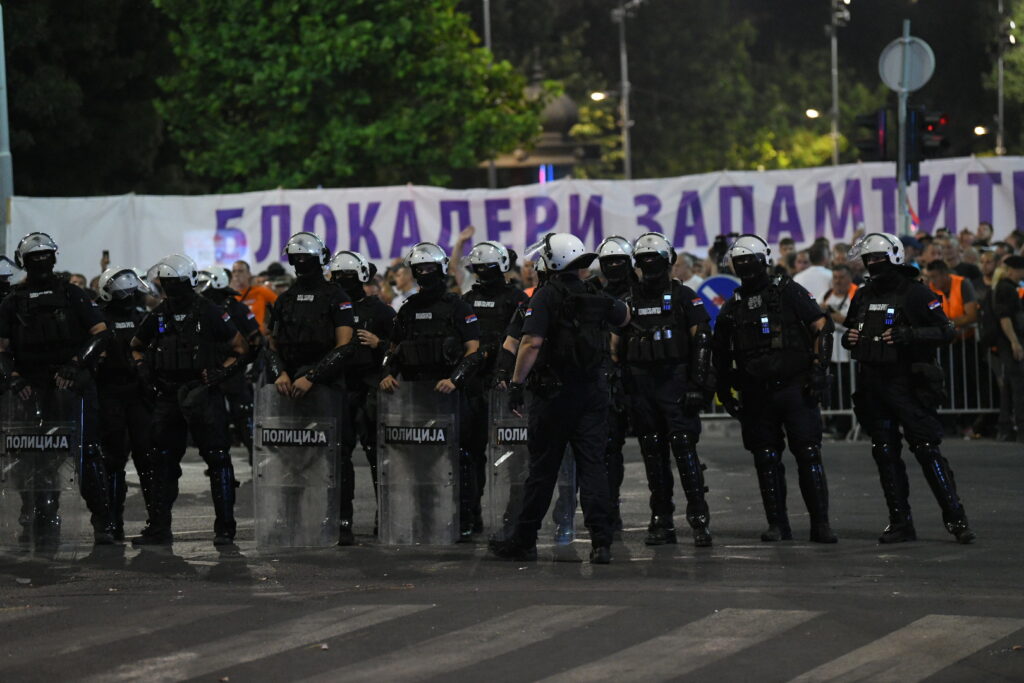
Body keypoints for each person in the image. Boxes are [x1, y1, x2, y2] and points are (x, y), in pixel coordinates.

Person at [489, 233, 630, 565]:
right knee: (593, 467)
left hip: (553, 396)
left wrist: (516, 384)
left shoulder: (545, 296)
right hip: (592, 394)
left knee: (542, 471)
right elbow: (624, 317)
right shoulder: (593, 293)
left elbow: (531, 343)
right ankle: (601, 543)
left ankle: (524, 540)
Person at [842, 233, 975, 544]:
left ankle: (956, 519)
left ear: (894, 257)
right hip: (874, 385)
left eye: (878, 258)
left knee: (927, 450)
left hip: (909, 384)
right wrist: (849, 338)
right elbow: (851, 329)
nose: (873, 263)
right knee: (884, 452)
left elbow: (946, 330)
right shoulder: (862, 295)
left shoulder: (915, 292)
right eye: (869, 258)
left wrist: (909, 335)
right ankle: (900, 521)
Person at [713, 235, 838, 544]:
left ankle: (821, 524)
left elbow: (822, 326)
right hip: (756, 393)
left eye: (748, 260)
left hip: (795, 387)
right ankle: (778, 525)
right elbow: (721, 352)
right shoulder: (733, 305)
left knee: (808, 453)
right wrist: (725, 391)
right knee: (765, 458)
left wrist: (819, 368)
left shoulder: (788, 291)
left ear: (763, 260)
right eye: (739, 262)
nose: (744, 267)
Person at [0, 233, 115, 546]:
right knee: (32, 456)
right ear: (24, 261)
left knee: (87, 452)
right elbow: (2, 349)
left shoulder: (71, 293)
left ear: (53, 257)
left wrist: (75, 364)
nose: (41, 261)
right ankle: (37, 519)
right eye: (34, 256)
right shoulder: (13, 300)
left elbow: (101, 333)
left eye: (45, 255)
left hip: (71, 383)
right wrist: (14, 378)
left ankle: (103, 523)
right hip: (31, 388)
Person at [130, 254, 249, 546]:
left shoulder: (210, 311)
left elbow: (240, 347)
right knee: (162, 461)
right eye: (166, 282)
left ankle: (225, 528)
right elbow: (136, 346)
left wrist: (221, 373)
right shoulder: (160, 314)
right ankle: (159, 527)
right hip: (169, 395)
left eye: (175, 282)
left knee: (218, 459)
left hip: (203, 393)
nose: (170, 288)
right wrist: (143, 369)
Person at [618, 232, 714, 547]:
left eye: (654, 258)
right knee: (652, 449)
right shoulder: (628, 300)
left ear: (668, 260)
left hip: (675, 382)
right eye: (643, 259)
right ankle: (661, 518)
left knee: (684, 447)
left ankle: (699, 518)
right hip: (641, 385)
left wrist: (697, 384)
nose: (649, 264)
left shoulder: (684, 296)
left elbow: (702, 339)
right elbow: (615, 347)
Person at [380, 242, 482, 537]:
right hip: (417, 396)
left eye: (429, 267)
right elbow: (393, 349)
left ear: (440, 269)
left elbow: (473, 351)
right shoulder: (408, 309)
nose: (424, 273)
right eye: (419, 268)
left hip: (450, 394)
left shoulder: (458, 306)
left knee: (460, 458)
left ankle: (466, 519)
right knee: (419, 462)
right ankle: (424, 518)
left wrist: (455, 379)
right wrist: (387, 373)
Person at [263, 233, 357, 543]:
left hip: (326, 387)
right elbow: (271, 345)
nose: (301, 263)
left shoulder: (336, 296)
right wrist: (279, 373)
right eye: (296, 258)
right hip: (290, 387)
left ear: (319, 259)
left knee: (334, 456)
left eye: (306, 258)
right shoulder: (285, 299)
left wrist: (313, 377)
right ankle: (290, 519)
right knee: (290, 456)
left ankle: (339, 522)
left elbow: (345, 346)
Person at [461, 240, 528, 533]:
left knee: (514, 457)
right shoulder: (467, 299)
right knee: (469, 452)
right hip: (474, 385)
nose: (482, 273)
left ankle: (513, 516)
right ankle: (470, 513)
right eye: (478, 268)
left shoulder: (517, 299)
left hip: (506, 385)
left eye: (487, 267)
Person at [329, 250, 395, 541]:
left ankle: (386, 517)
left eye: (348, 275)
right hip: (341, 388)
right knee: (339, 455)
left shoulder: (379, 310)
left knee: (377, 455)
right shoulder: (330, 306)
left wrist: (380, 343)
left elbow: (401, 346)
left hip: (369, 390)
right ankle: (343, 521)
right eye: (338, 275)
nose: (343, 280)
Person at [95, 267, 155, 541]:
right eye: (124, 292)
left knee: (146, 459)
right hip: (112, 395)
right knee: (113, 460)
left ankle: (156, 522)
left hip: (139, 395)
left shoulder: (142, 317)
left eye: (131, 291)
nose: (129, 296)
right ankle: (112, 522)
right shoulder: (100, 319)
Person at [594, 235, 637, 531]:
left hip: (642, 379)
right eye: (608, 261)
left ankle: (664, 517)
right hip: (607, 381)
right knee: (608, 448)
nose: (613, 266)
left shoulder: (644, 291)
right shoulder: (595, 294)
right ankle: (610, 509)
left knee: (658, 447)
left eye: (618, 261)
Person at [198, 267, 261, 462]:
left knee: (243, 413)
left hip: (234, 370)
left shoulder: (237, 309)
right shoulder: (202, 309)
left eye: (205, 283)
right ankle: (219, 463)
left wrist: (252, 366)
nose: (201, 288)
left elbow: (256, 339)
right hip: (210, 372)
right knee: (214, 420)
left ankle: (255, 457)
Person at [820, 264, 857, 436]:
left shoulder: (855, 296)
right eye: (835, 277)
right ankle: (832, 424)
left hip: (848, 357)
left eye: (841, 277)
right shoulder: (826, 295)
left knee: (847, 393)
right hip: (831, 355)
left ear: (849, 279)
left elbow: (853, 321)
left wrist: (832, 315)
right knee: (832, 392)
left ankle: (845, 427)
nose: (838, 281)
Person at [991, 255, 1024, 443]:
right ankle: (1021, 427)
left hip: (1007, 342)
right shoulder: (1007, 289)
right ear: (1013, 270)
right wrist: (1015, 342)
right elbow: (1005, 318)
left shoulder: (1004, 287)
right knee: (1018, 385)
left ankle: (1005, 427)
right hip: (1010, 342)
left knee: (1010, 386)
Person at [231, 260, 278, 334]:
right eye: (234, 271)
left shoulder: (260, 291)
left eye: (240, 271)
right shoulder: (230, 297)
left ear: (249, 274)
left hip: (258, 337)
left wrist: (271, 328)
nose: (236, 274)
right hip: (239, 338)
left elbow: (281, 306)